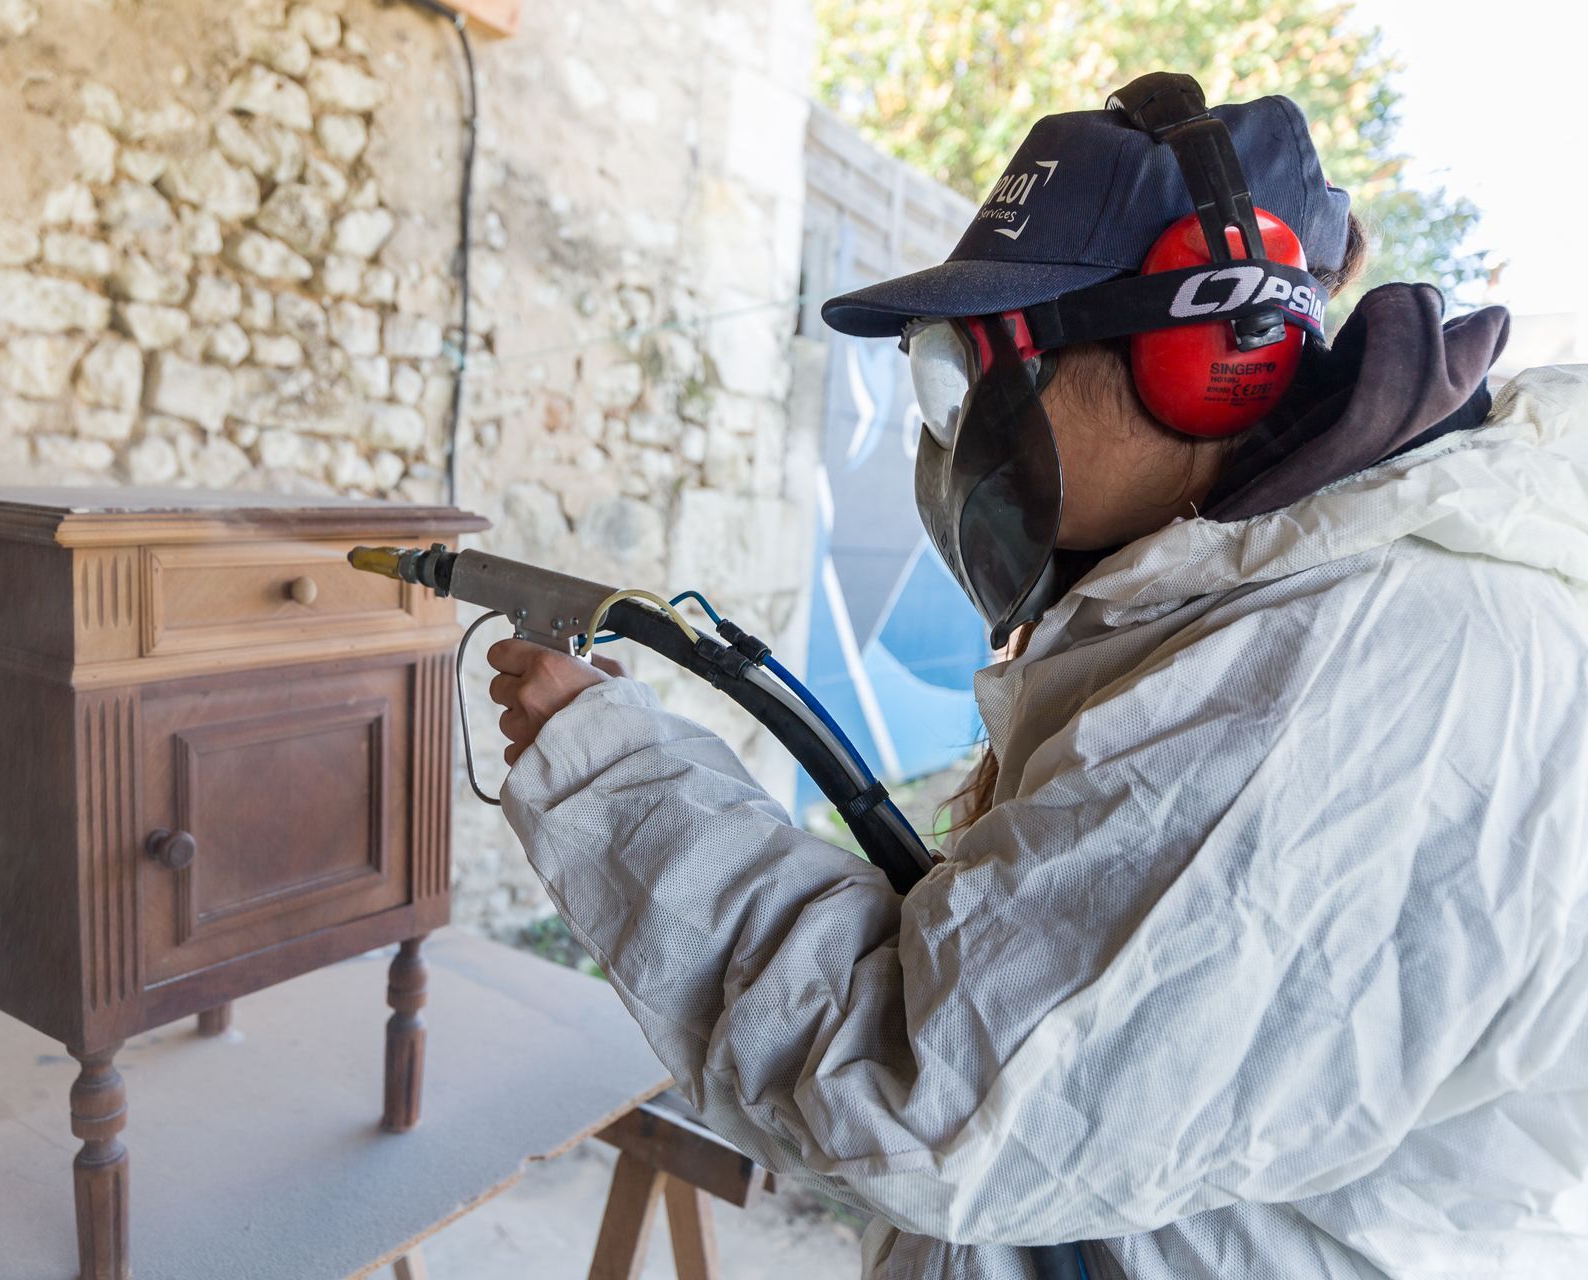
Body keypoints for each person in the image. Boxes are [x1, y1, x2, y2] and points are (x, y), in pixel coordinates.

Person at [487, 73, 1588, 1278]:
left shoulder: (1347, 663)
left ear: (1200, 357)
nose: (955, 432)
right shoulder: (1266, 600)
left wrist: (620, 783)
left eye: (970, 371)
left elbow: (925, 1086)